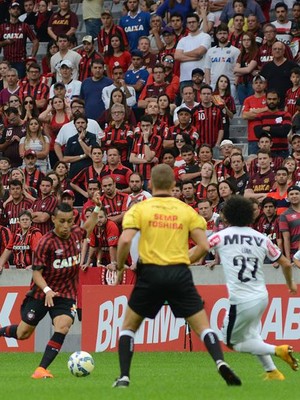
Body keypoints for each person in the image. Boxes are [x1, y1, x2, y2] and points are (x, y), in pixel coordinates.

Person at [112, 164, 241, 388]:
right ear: (174, 185)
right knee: (203, 326)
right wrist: (184, 259)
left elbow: (124, 241)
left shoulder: (140, 208)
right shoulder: (186, 211)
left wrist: (121, 266)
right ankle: (220, 361)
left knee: (129, 327)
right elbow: (204, 245)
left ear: (149, 184)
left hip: (150, 273)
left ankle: (124, 377)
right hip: (179, 272)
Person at [0, 196, 101, 377]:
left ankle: (41, 369)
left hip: (66, 293)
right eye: (62, 221)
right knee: (23, 333)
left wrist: (97, 208)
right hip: (41, 293)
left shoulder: (76, 233)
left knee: (63, 325)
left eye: (70, 221)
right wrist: (47, 290)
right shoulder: (45, 243)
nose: (66, 225)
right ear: (53, 220)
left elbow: (89, 226)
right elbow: (36, 273)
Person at [208, 195, 298, 380]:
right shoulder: (261, 238)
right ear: (250, 215)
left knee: (232, 342)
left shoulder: (220, 237)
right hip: (261, 297)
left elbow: (197, 251)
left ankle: (278, 350)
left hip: (241, 299)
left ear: (227, 216)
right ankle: (272, 372)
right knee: (253, 335)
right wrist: (290, 284)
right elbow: (287, 264)